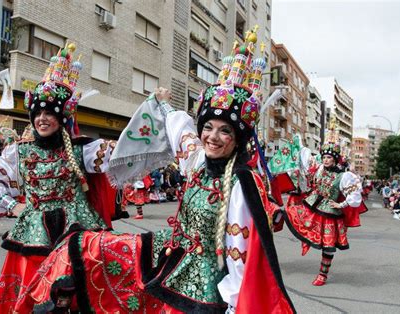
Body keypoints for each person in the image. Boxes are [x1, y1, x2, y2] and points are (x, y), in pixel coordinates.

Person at [16, 29, 295, 313]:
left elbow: (241, 257)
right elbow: (179, 129)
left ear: (239, 138)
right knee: (84, 247)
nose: (212, 136)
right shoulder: (198, 160)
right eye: (208, 127)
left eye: (225, 131)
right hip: (175, 254)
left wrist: (234, 306)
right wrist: (161, 104)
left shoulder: (241, 183)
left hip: (205, 283)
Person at [0, 43, 117, 313]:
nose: (42, 118)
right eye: (38, 113)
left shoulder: (82, 149)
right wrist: (11, 205)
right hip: (34, 233)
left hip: (77, 231)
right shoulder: (20, 151)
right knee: (32, 296)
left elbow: (123, 159)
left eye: (50, 112)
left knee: (79, 294)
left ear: (62, 117)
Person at [282, 119, 367, 286]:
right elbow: (305, 170)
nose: (326, 160)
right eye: (324, 157)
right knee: (288, 213)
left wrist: (341, 205)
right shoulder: (319, 168)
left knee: (328, 245)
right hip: (312, 203)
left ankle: (323, 275)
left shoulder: (344, 176)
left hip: (330, 212)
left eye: (329, 157)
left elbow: (355, 195)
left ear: (335, 159)